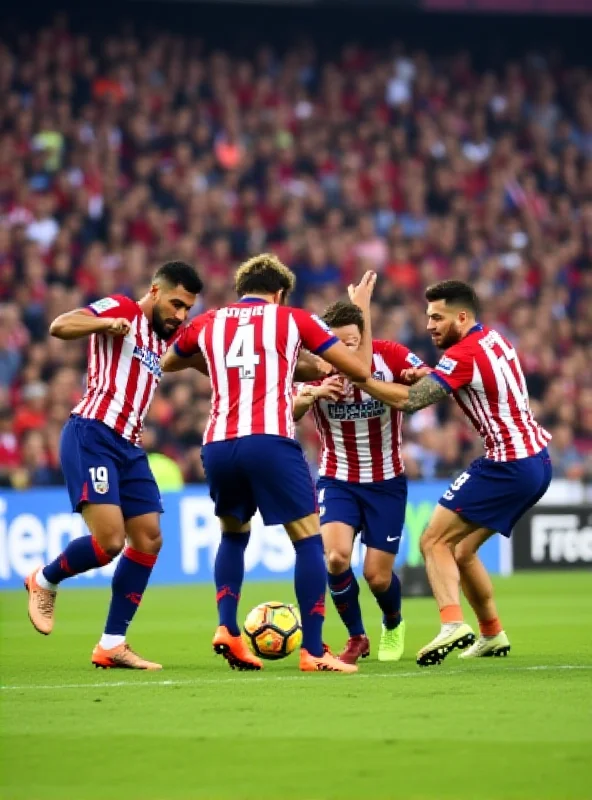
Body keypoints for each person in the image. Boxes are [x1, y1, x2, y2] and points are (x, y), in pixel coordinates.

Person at [161, 254, 373, 673]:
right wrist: (362, 312)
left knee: (233, 535)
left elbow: (170, 361)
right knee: (309, 540)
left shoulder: (208, 322)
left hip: (219, 444)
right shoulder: (293, 319)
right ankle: (313, 650)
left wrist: (230, 373)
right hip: (269, 440)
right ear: (279, 294)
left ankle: (226, 628)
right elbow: (361, 370)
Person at [358, 280, 552, 666]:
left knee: (433, 542)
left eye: (437, 317)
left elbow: (413, 402)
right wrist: (429, 375)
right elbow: (465, 378)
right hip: (537, 461)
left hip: (507, 463)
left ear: (462, 317)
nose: (429, 324)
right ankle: (492, 633)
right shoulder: (492, 339)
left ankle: (452, 624)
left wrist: (364, 380)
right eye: (428, 316)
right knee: (461, 550)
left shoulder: (463, 354)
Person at [24, 261, 203, 670]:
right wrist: (102, 326)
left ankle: (112, 643)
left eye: (187, 309)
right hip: (93, 434)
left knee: (149, 538)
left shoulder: (164, 340)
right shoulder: (121, 308)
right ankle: (44, 580)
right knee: (109, 543)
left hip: (129, 446)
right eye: (175, 303)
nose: (179, 315)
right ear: (155, 292)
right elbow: (60, 325)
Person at [293, 299, 427, 665]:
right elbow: (287, 410)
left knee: (377, 577)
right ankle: (357, 636)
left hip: (386, 482)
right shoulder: (315, 370)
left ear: (363, 335)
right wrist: (315, 393)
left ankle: (393, 621)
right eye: (337, 344)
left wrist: (417, 377)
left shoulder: (390, 356)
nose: (345, 350)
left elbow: (427, 380)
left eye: (352, 342)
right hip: (338, 480)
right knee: (335, 558)